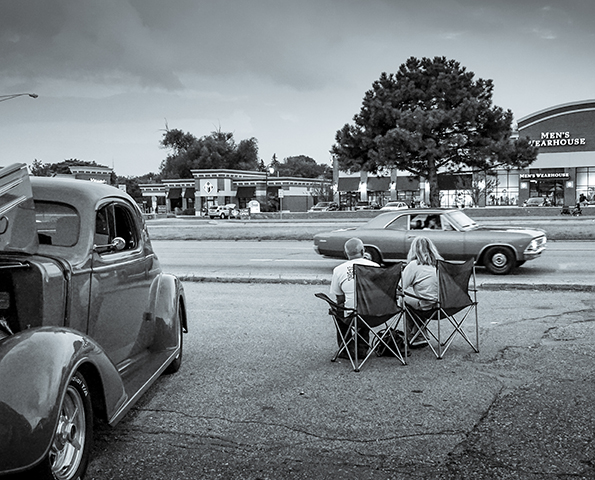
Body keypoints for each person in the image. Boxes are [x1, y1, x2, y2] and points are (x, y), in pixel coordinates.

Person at [329, 237, 378, 357]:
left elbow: (340, 299)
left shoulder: (339, 270)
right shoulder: (376, 267)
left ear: (345, 253)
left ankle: (347, 349)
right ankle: (361, 347)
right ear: (363, 251)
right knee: (366, 304)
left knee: (338, 309)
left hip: (353, 316)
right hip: (379, 314)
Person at [402, 236, 443, 347]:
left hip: (427, 306)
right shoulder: (440, 264)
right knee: (420, 298)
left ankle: (414, 336)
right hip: (445, 306)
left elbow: (401, 287)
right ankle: (420, 335)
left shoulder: (414, 265)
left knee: (402, 298)